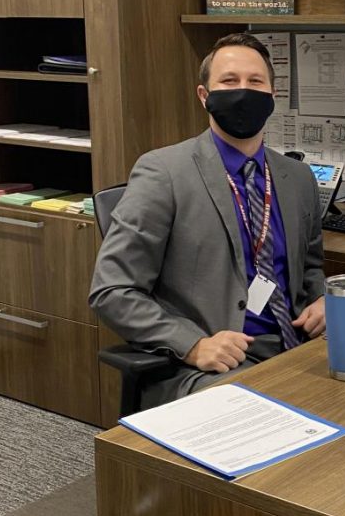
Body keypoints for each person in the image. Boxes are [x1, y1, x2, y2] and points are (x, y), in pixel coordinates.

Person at [90, 33, 326, 407]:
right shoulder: (163, 173)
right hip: (211, 366)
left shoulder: (297, 178)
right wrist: (192, 345)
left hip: (296, 348)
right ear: (204, 95)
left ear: (272, 96)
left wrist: (322, 299)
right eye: (229, 82)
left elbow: (311, 267)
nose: (243, 91)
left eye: (255, 82)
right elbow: (113, 291)